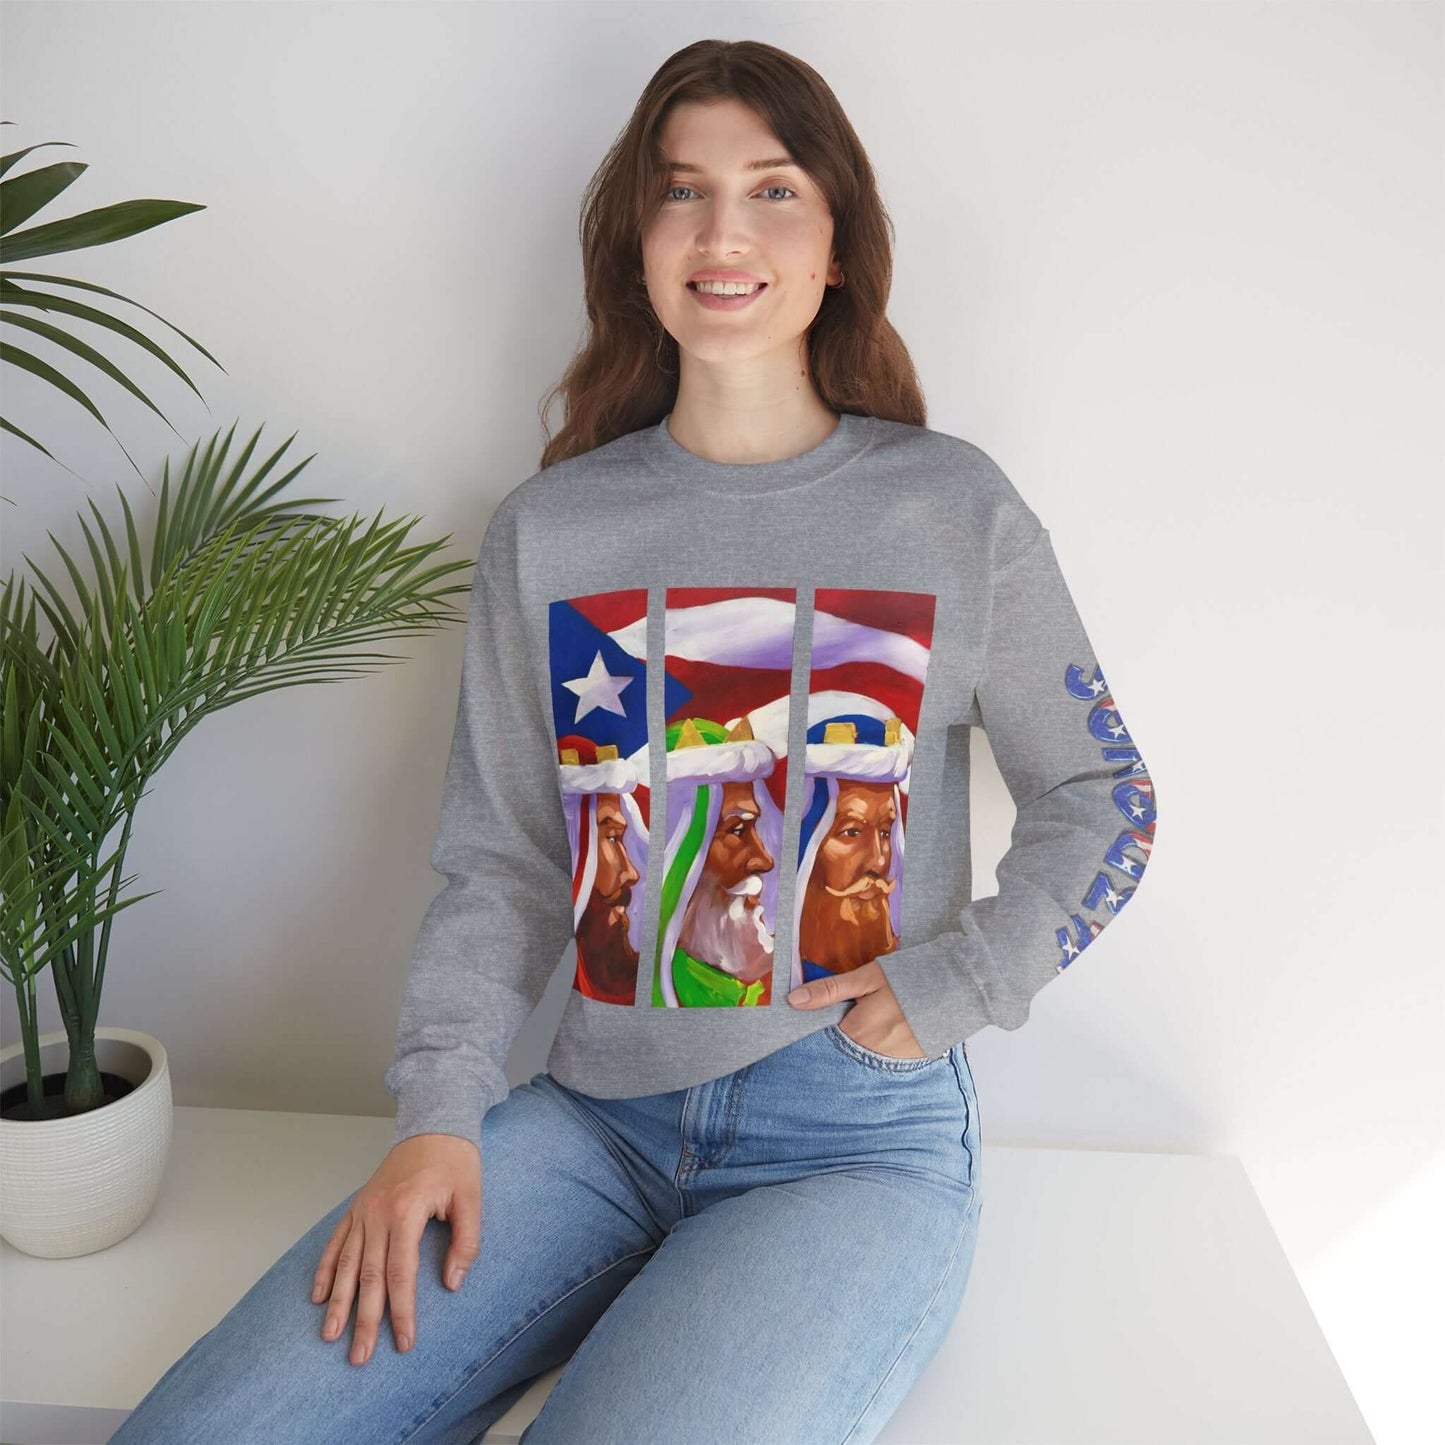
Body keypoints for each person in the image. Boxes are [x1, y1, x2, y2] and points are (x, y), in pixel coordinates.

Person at [110, 37, 1157, 1445]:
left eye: (772, 190)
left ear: (837, 242)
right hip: (590, 1120)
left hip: (847, 1141)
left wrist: (965, 977)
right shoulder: (553, 531)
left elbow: (1104, 796)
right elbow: (503, 864)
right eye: (681, 193)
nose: (723, 232)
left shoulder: (949, 511)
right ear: (637, 241)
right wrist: (438, 1111)